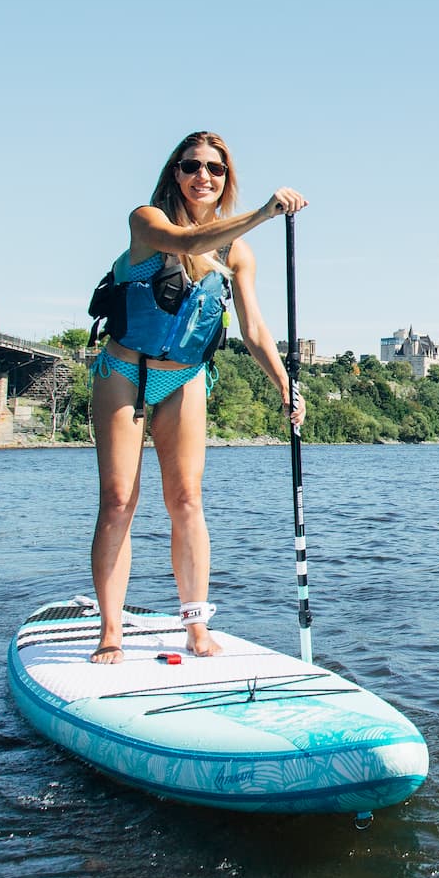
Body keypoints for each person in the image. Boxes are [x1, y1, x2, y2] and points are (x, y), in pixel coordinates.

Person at [87, 131, 306, 664]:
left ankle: (195, 626)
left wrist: (285, 385)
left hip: (186, 377)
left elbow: (254, 328)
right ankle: (111, 631)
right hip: (125, 372)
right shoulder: (147, 220)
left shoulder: (237, 251)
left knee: (186, 500)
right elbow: (186, 247)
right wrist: (263, 212)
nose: (202, 176)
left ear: (226, 178)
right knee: (119, 502)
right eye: (192, 166)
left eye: (215, 168)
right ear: (175, 173)